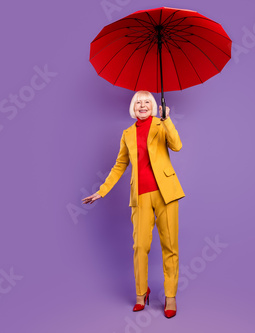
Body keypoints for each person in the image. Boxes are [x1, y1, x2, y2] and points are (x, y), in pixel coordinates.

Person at [82, 90, 185, 319]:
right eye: (138, 102)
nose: (142, 105)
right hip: (140, 196)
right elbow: (119, 165)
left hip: (166, 193)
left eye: (146, 102)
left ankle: (170, 297)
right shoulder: (127, 134)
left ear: (153, 106)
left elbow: (177, 146)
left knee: (170, 246)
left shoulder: (161, 124)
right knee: (140, 247)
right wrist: (102, 191)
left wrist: (168, 121)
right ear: (133, 107)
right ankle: (141, 294)